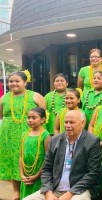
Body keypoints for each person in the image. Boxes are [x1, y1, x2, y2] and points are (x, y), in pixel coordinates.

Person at [23, 110, 102, 200]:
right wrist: (48, 192)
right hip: (54, 189)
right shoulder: (55, 140)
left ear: (82, 123)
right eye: (66, 122)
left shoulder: (92, 142)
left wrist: (70, 193)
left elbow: (92, 173)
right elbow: (46, 169)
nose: (67, 125)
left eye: (72, 122)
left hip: (80, 190)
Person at [0, 70, 46, 200]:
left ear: (25, 82)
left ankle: (31, 189)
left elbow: (43, 115)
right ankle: (16, 191)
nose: (13, 84)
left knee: (29, 159)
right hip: (8, 134)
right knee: (13, 160)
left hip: (30, 132)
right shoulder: (4, 98)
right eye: (11, 81)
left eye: (17, 81)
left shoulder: (35, 96)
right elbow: (2, 115)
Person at [20, 108, 51, 199]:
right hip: (25, 175)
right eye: (28, 117)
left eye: (34, 118)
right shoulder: (24, 135)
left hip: (39, 175)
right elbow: (21, 156)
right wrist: (22, 175)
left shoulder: (46, 136)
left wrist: (37, 176)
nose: (30, 120)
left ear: (43, 119)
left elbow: (47, 158)